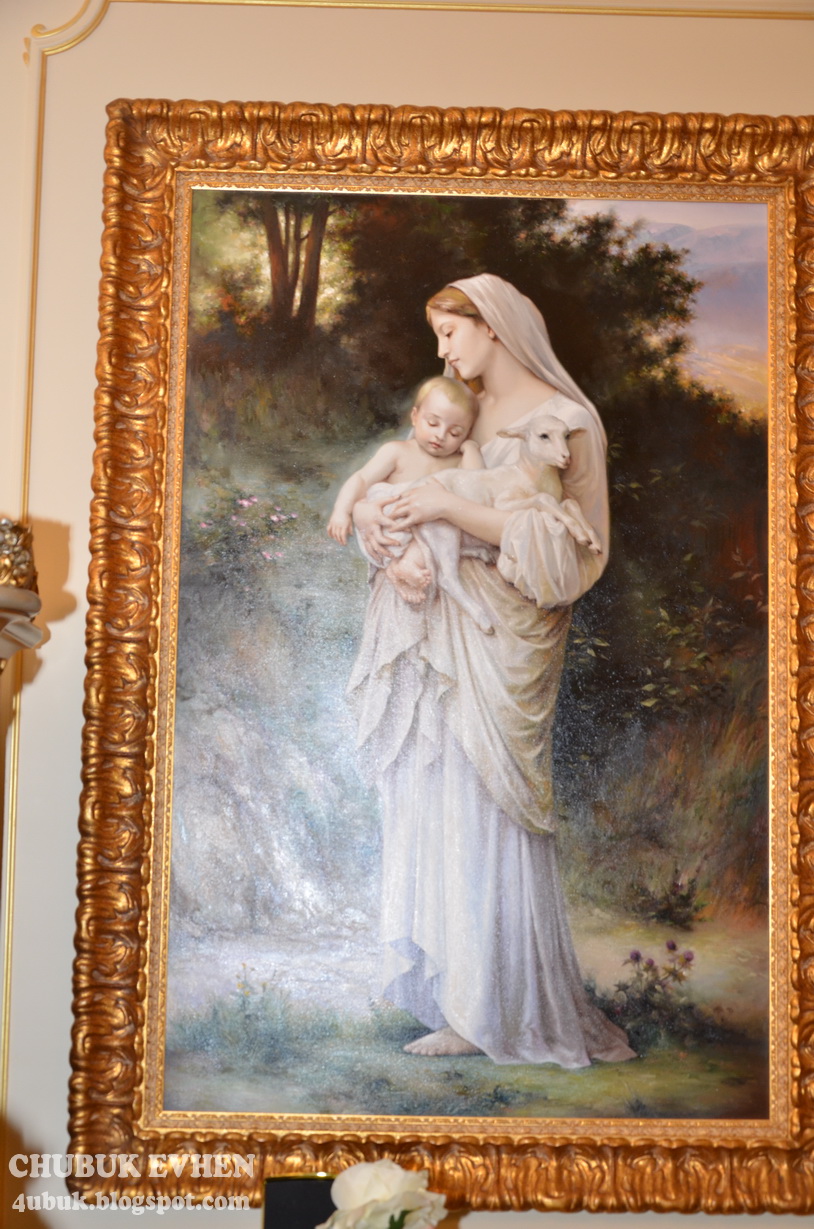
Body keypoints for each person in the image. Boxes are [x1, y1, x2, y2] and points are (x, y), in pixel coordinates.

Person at [348, 273, 635, 1067]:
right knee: (435, 797)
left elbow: (570, 556)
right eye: (438, 336)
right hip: (432, 627)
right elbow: (398, 484)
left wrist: (447, 508)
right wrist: (376, 527)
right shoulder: (460, 415)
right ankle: (457, 999)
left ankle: (499, 1006)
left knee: (486, 809)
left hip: (505, 641)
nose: (442, 351)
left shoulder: (566, 421)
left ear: (494, 326)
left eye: (450, 332)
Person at [328, 376, 483, 603]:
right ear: (415, 416)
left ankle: (405, 566)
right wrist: (342, 511)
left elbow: (476, 486)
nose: (440, 435)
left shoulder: (456, 462)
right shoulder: (397, 451)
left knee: (441, 517)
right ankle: (401, 565)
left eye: (455, 433)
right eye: (433, 423)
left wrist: (471, 449)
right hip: (388, 533)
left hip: (427, 546)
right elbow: (361, 479)